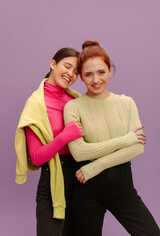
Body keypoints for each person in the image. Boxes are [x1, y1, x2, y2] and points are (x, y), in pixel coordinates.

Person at [64, 40, 160, 236]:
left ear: (110, 70)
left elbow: (137, 148)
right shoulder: (73, 107)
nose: (96, 80)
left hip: (122, 189)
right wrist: (126, 139)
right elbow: (79, 152)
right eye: (88, 74)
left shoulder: (127, 103)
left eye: (101, 72)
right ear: (80, 76)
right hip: (87, 192)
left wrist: (95, 166)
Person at [15, 47, 84, 236]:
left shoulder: (74, 100)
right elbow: (37, 158)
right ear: (53, 64)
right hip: (54, 177)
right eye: (67, 66)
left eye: (76, 71)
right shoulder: (36, 104)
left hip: (80, 177)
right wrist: (65, 136)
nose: (70, 74)